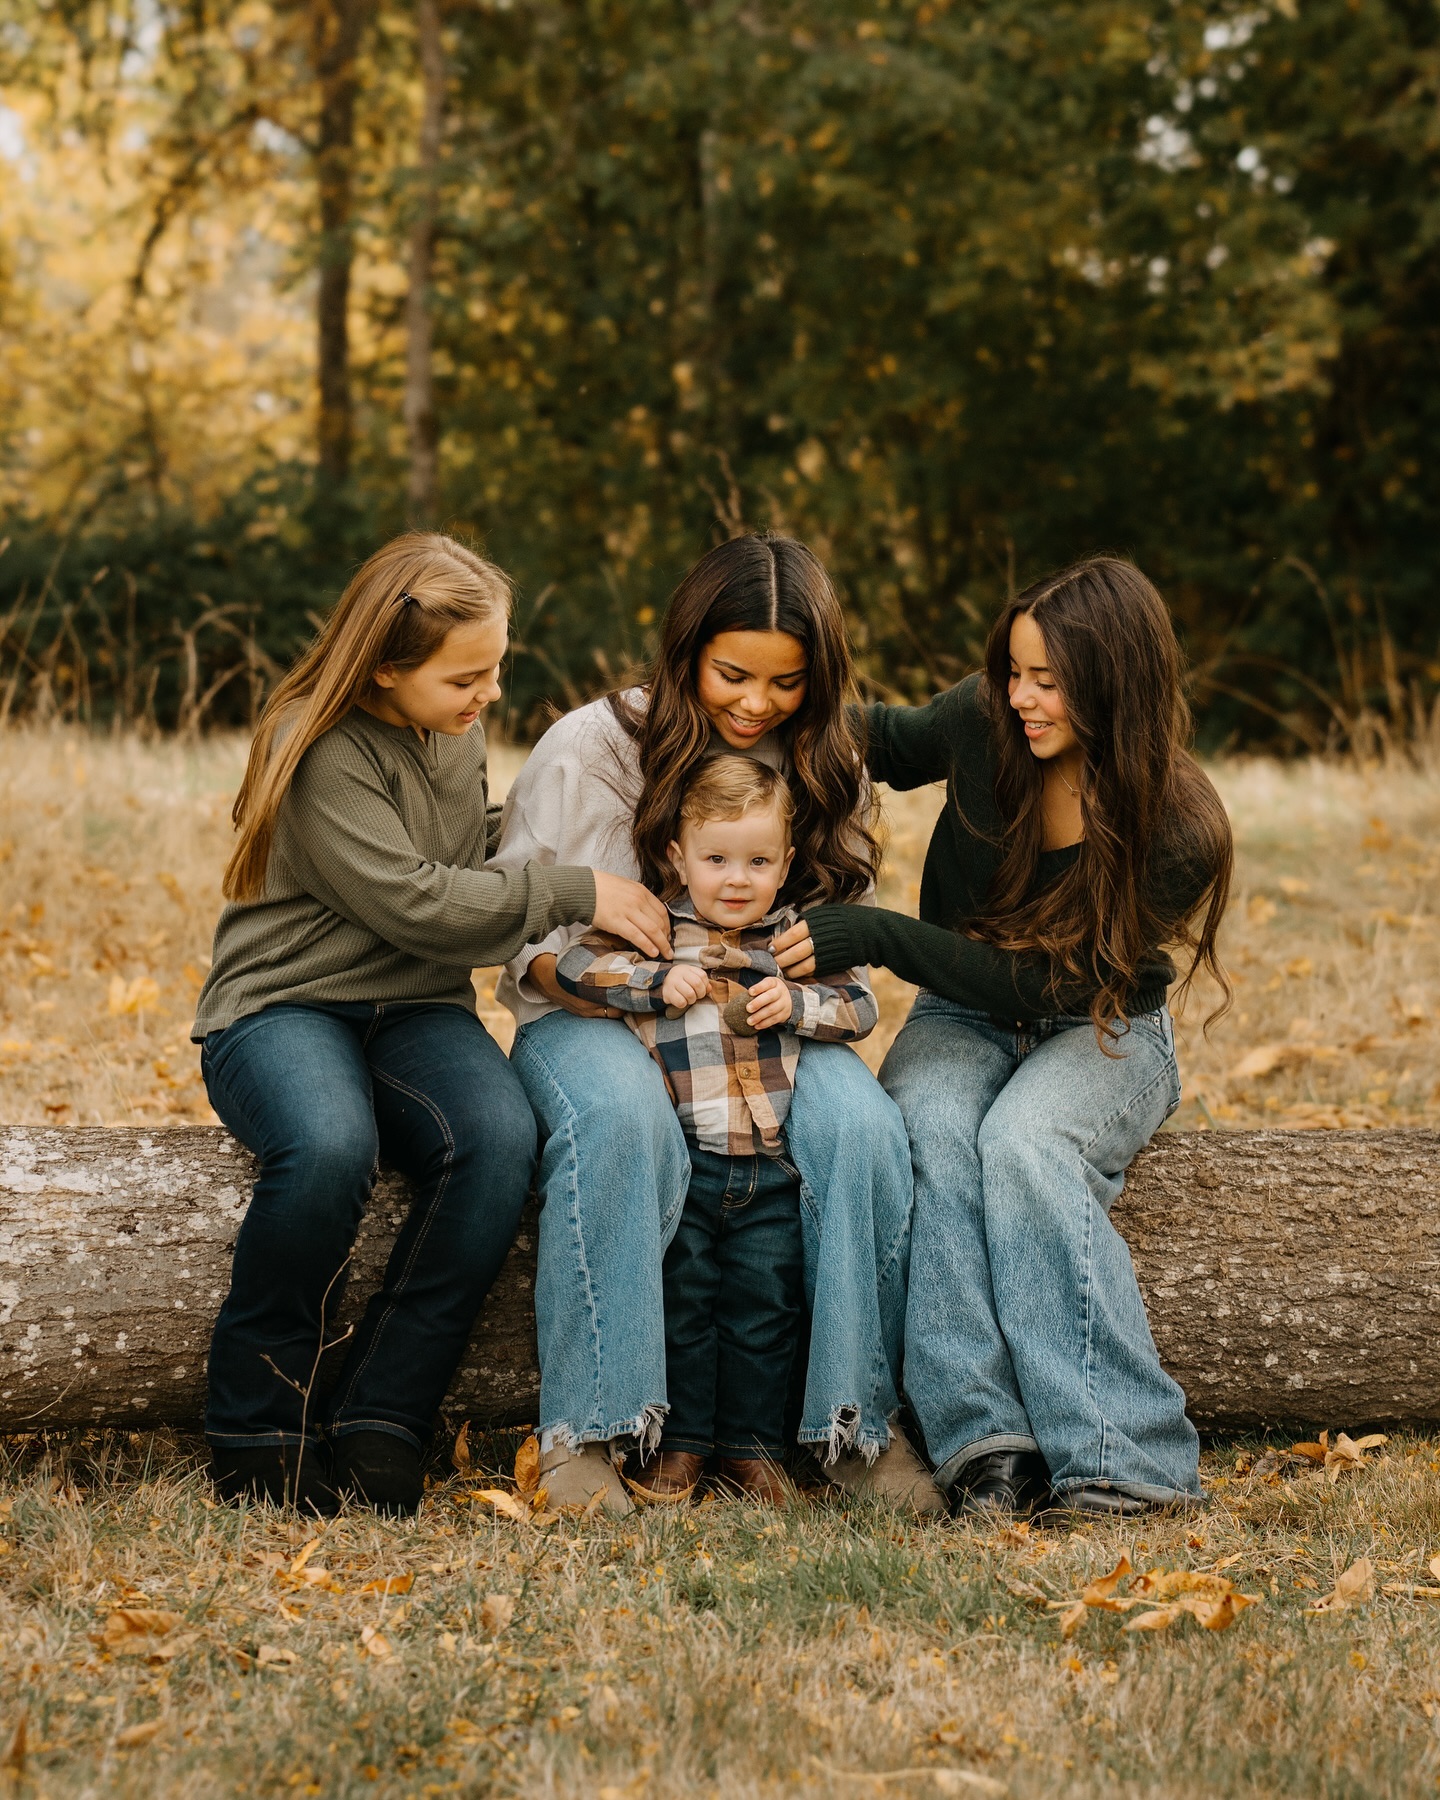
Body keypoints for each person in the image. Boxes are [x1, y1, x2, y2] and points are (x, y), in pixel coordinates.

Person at [193, 533, 669, 1516]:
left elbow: (470, 849)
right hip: (285, 1004)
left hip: (414, 1006)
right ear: (383, 666)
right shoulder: (317, 747)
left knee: (496, 1138)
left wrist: (577, 836)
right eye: (466, 677)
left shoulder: (452, 728)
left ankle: (384, 1413)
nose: (489, 694)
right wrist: (573, 887)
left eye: (496, 668)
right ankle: (257, 1421)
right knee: (329, 1145)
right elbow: (415, 899)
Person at [491, 533, 943, 1517]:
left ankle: (853, 1431)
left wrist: (787, 992)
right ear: (686, 649)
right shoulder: (592, 747)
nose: (756, 705)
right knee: (624, 1118)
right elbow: (518, 939)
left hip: (761, 1021)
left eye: (787, 682)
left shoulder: (823, 757)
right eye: (733, 674)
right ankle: (591, 1432)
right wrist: (630, 983)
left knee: (863, 1130)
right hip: (591, 1011)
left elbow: (841, 935)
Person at [775, 557, 1233, 1520]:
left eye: (1047, 681)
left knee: (1024, 1143)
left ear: (1115, 683)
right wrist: (748, 706)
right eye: (1014, 672)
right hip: (961, 1011)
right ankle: (985, 1443)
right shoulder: (988, 721)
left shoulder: (1180, 831)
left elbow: (1051, 984)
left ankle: (1127, 1462)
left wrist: (880, 935)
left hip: (1101, 1022)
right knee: (932, 1132)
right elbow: (878, 738)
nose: (1019, 697)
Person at [557, 757, 878, 1504]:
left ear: (786, 865)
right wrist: (652, 983)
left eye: (758, 862)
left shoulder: (794, 939)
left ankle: (752, 1450)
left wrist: (798, 1006)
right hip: (689, 1161)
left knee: (764, 1308)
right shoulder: (656, 930)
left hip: (770, 1166)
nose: (737, 879)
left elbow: (860, 1005)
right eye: (717, 860)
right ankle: (684, 1446)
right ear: (679, 858)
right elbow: (574, 967)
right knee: (685, 1301)